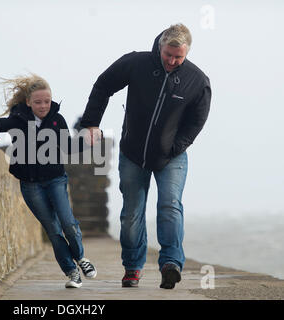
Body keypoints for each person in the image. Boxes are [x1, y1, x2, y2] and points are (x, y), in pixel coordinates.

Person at [80, 24, 211, 289]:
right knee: (132, 214)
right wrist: (91, 123)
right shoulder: (137, 63)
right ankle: (132, 267)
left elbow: (197, 121)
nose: (172, 61)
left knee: (170, 206)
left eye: (178, 57)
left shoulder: (197, 81)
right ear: (160, 47)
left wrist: (175, 148)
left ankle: (170, 264)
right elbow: (103, 85)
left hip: (172, 157)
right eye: (168, 55)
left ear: (187, 53)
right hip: (133, 153)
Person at [0, 74, 97, 288]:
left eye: (46, 101)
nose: (43, 106)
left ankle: (81, 258)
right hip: (31, 185)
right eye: (38, 102)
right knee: (53, 230)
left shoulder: (56, 119)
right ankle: (72, 273)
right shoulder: (18, 119)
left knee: (68, 222)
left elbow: (68, 147)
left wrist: (87, 143)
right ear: (28, 102)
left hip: (55, 180)